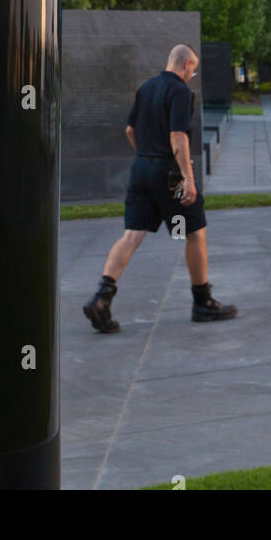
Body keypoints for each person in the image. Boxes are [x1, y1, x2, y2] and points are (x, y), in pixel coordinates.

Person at [83, 43, 237, 332]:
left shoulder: (146, 88)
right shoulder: (180, 91)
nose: (193, 74)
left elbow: (130, 130)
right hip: (170, 173)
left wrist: (147, 157)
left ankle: (101, 298)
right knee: (194, 232)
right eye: (194, 69)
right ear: (187, 65)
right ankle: (202, 302)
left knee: (131, 235)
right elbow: (178, 137)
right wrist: (187, 178)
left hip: (141, 168)